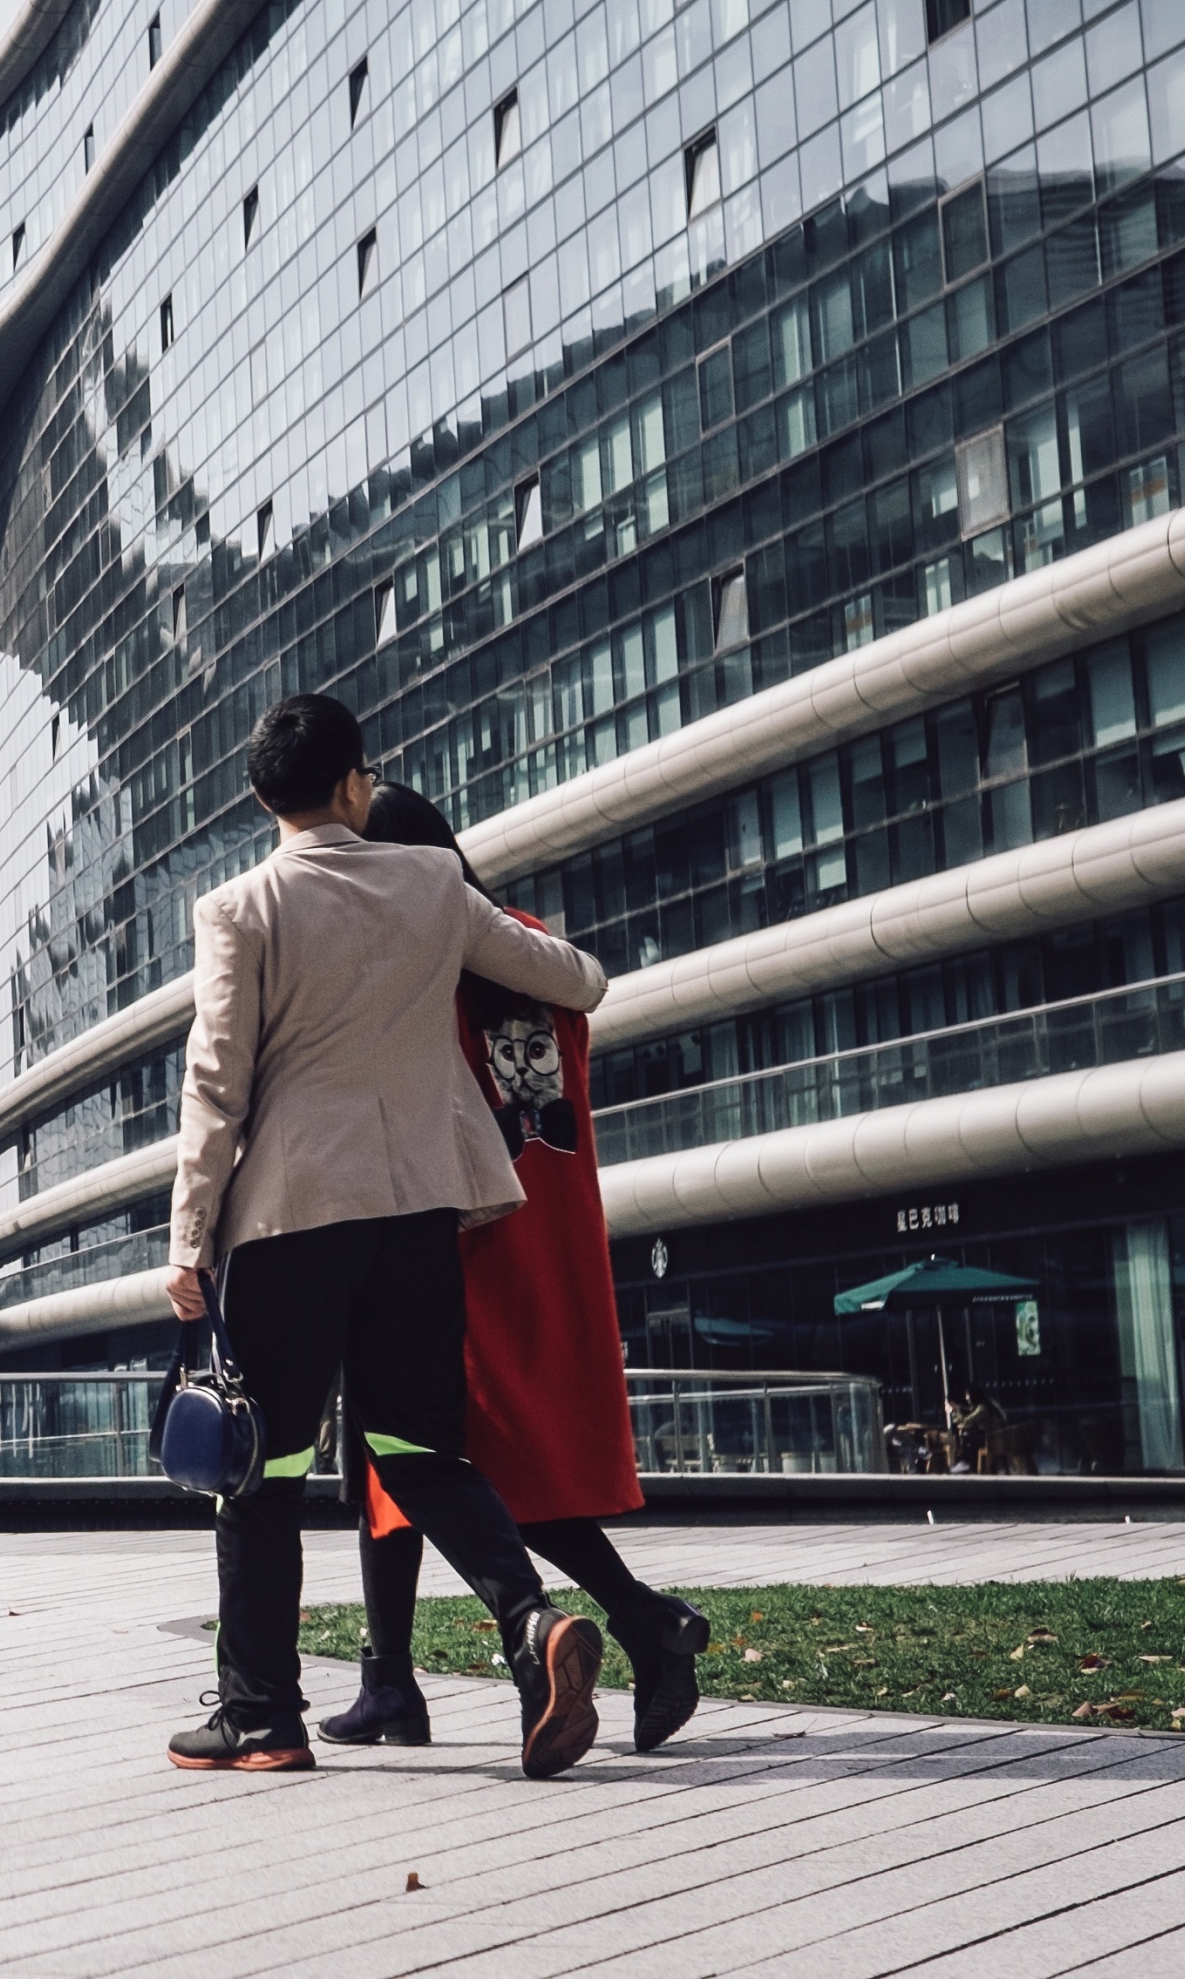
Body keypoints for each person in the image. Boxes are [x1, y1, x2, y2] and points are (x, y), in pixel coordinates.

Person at [162, 692, 611, 1780]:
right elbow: (578, 979)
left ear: (263, 797)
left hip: (289, 1220)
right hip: (417, 1216)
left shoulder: (240, 909)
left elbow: (215, 1085)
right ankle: (531, 1626)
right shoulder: (433, 883)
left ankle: (261, 1715)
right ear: (356, 782)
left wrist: (188, 1240)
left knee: (262, 1472)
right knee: (420, 1452)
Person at [320, 784, 708, 1758]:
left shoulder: (427, 960)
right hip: (553, 1225)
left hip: (459, 1235)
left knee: (439, 1454)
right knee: (417, 1456)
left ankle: (637, 1618)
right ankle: (391, 1682)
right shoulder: (524, 945)